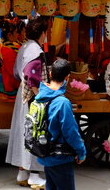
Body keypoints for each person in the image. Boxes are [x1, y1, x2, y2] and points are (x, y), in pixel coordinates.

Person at [6, 17, 50, 188]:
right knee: (35, 134)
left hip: (22, 94)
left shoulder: (25, 46)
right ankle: (33, 175)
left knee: (24, 134)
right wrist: (40, 97)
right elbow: (32, 77)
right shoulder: (35, 50)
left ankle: (22, 174)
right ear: (42, 33)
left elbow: (18, 73)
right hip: (32, 97)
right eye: (46, 32)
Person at [33, 59, 86, 190]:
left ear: (50, 74)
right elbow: (71, 132)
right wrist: (81, 152)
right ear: (67, 77)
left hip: (45, 154)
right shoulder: (62, 103)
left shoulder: (39, 98)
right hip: (60, 158)